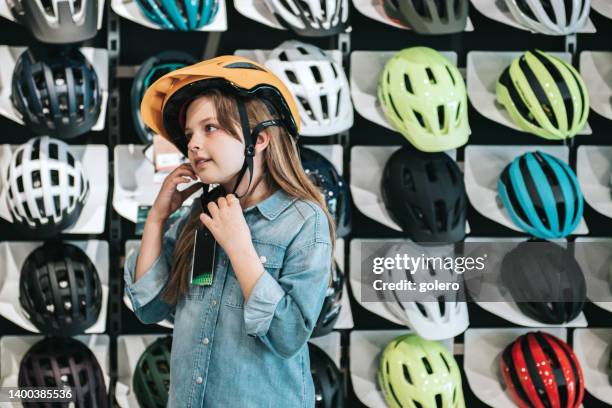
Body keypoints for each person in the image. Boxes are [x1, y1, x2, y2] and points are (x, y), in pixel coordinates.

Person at [124, 55, 335, 407]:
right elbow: (149, 306)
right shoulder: (201, 213)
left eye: (210, 128)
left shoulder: (303, 220)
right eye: (190, 134)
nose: (192, 144)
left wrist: (239, 248)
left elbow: (288, 336)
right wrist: (158, 219)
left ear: (261, 139)